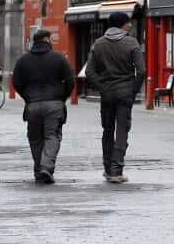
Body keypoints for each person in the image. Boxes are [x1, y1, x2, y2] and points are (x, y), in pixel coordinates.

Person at [85, 11, 145, 183]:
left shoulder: (99, 44)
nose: (130, 25)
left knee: (108, 130)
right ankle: (116, 169)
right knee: (122, 130)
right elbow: (141, 70)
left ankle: (107, 168)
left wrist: (102, 86)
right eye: (128, 23)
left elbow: (89, 71)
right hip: (125, 92)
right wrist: (133, 89)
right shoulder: (131, 42)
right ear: (121, 24)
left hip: (107, 93)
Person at [12, 29, 75, 184]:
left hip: (32, 104)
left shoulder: (23, 60)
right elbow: (70, 80)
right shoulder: (59, 58)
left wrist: (27, 97)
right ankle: (46, 167)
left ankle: (39, 169)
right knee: (52, 135)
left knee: (35, 138)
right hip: (54, 103)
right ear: (47, 40)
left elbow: (16, 83)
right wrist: (62, 97)